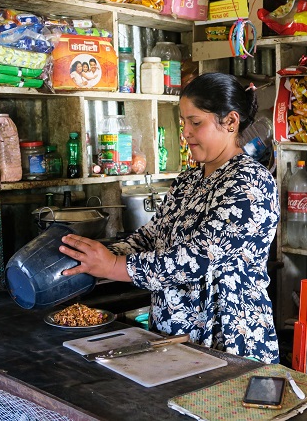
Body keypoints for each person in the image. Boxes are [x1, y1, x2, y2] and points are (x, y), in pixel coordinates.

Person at [60, 72, 280, 364]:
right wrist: (98, 255)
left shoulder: (251, 182)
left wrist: (115, 266)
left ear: (230, 122)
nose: (186, 132)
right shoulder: (189, 180)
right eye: (183, 122)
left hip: (228, 343)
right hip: (174, 338)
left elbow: (197, 258)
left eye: (196, 122)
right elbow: (153, 235)